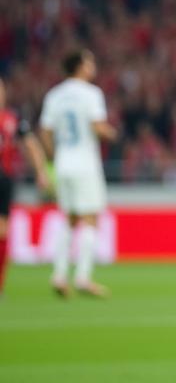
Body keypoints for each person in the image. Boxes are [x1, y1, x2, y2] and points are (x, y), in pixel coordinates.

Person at [39, 50, 118, 298]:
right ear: (80, 67)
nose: (93, 66)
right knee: (91, 217)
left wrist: (54, 156)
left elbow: (45, 132)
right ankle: (83, 277)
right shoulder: (91, 94)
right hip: (85, 162)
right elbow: (97, 127)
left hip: (63, 163)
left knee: (70, 218)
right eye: (89, 62)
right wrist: (111, 133)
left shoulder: (55, 95)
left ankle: (59, 275)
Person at [0, 77, 50, 296]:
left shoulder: (12, 119)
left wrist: (40, 172)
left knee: (2, 231)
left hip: (3, 178)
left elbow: (31, 145)